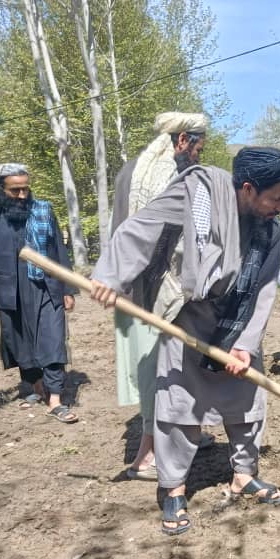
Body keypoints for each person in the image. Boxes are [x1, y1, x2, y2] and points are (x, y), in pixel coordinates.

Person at [90, 147, 280, 535]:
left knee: (248, 402)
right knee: (179, 405)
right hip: (190, 317)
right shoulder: (198, 191)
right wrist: (110, 277)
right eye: (276, 197)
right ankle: (173, 487)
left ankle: (244, 475)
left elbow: (265, 289)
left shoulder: (271, 231)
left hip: (238, 318)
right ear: (247, 188)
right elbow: (141, 227)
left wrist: (244, 344)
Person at [110, 112, 212, 479]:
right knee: (161, 370)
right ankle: (149, 456)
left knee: (160, 368)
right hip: (157, 290)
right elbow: (169, 238)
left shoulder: (130, 172)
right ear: (182, 141)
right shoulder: (167, 175)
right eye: (199, 148)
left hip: (131, 286)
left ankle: (181, 435)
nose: (199, 157)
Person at [0, 164, 79, 423]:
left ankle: (55, 399)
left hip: (46, 287)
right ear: (0, 188)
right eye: (15, 190)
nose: (23, 195)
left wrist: (68, 288)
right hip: (11, 292)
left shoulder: (43, 212)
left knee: (52, 340)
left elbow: (58, 251)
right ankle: (35, 387)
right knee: (20, 342)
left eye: (25, 189)